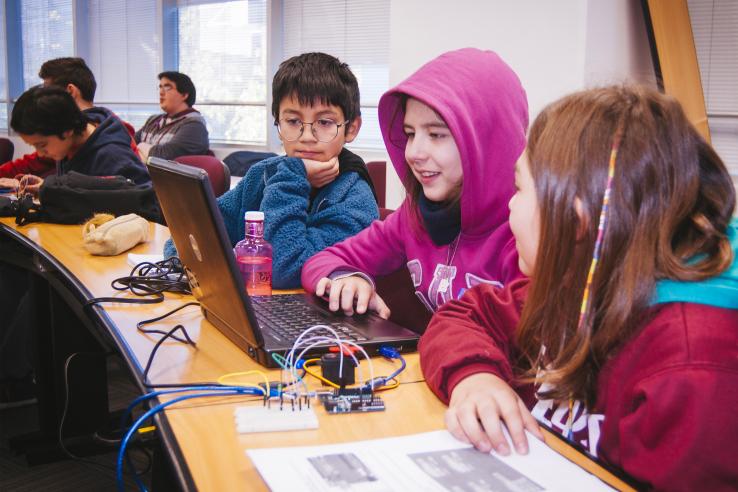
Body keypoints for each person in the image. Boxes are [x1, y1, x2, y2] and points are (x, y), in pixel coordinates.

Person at [419, 85, 738, 490]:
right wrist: (475, 377)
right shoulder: (581, 280)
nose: (510, 207)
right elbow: (466, 314)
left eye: (519, 189)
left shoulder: (695, 372)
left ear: (577, 220)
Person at [301, 48, 527, 319]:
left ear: (487, 140)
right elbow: (319, 261)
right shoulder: (414, 216)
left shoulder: (525, 234)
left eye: (436, 134)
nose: (413, 153)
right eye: (410, 133)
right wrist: (346, 278)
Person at [163, 52, 378, 289]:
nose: (306, 137)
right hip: (256, 309)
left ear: (352, 128)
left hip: (312, 321)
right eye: (293, 122)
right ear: (278, 124)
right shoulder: (264, 174)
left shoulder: (355, 199)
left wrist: (292, 177)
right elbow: (185, 239)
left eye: (324, 122)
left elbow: (283, 269)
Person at [0, 57, 139, 188]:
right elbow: (83, 188)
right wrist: (48, 188)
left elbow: (142, 199)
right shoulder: (68, 142)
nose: (41, 153)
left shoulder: (111, 152)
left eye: (50, 92)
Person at [10, 86, 150, 186]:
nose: (40, 153)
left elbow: (146, 203)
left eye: (42, 145)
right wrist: (44, 188)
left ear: (67, 130)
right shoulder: (68, 145)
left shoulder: (112, 155)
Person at [135, 71, 209, 161]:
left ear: (184, 95)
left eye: (167, 87)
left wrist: (140, 146)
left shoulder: (195, 126)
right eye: (160, 87)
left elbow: (164, 157)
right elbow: (128, 145)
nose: (161, 92)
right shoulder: (153, 120)